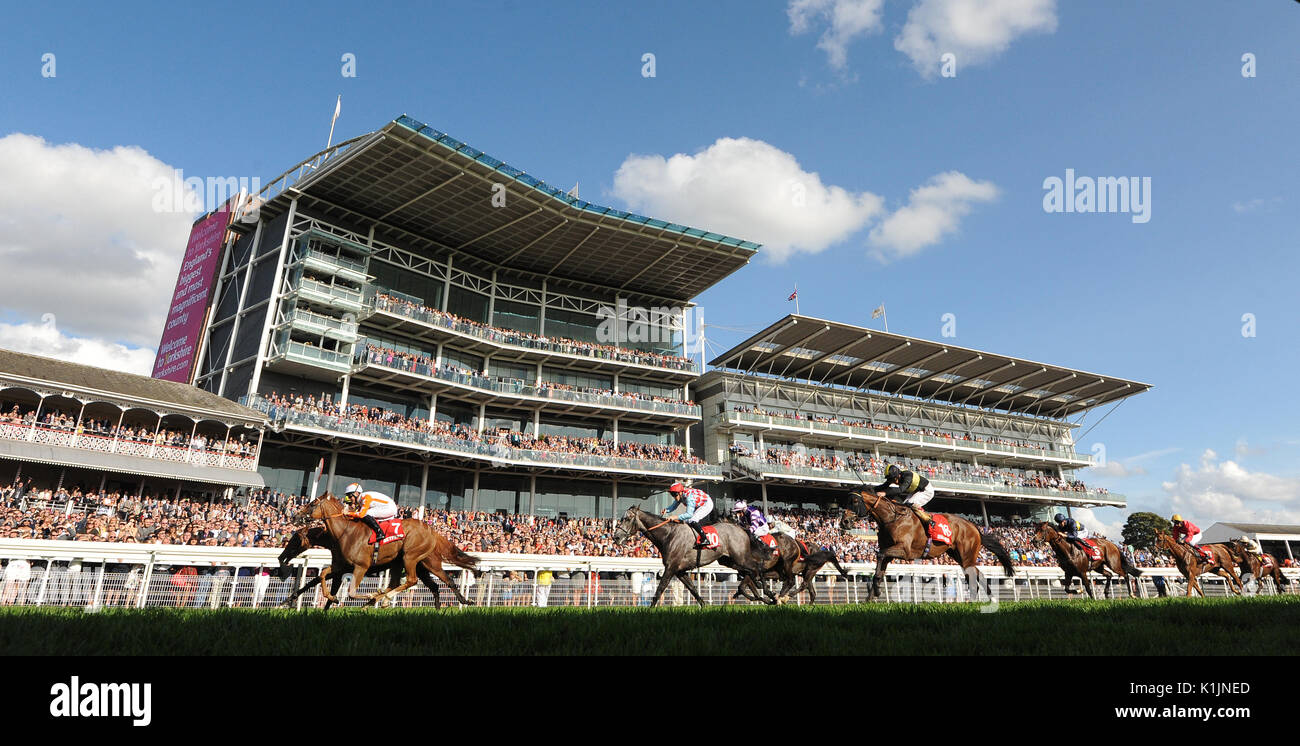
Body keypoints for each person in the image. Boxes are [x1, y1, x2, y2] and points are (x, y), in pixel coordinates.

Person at [873, 464, 936, 530]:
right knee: (903, 507)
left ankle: (929, 521)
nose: (892, 482)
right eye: (890, 480)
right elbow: (883, 486)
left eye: (892, 479)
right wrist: (871, 489)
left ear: (897, 475)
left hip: (926, 490)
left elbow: (900, 490)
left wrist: (885, 493)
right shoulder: (895, 476)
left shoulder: (907, 476)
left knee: (911, 503)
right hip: (916, 491)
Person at [661, 482, 713, 546]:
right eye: (672, 494)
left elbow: (689, 514)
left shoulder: (689, 497)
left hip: (706, 504)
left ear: (680, 492)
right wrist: (667, 510)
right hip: (698, 505)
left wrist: (675, 517)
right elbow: (674, 506)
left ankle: (705, 539)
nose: (674, 496)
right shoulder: (680, 495)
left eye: (675, 494)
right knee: (687, 521)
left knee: (692, 520)